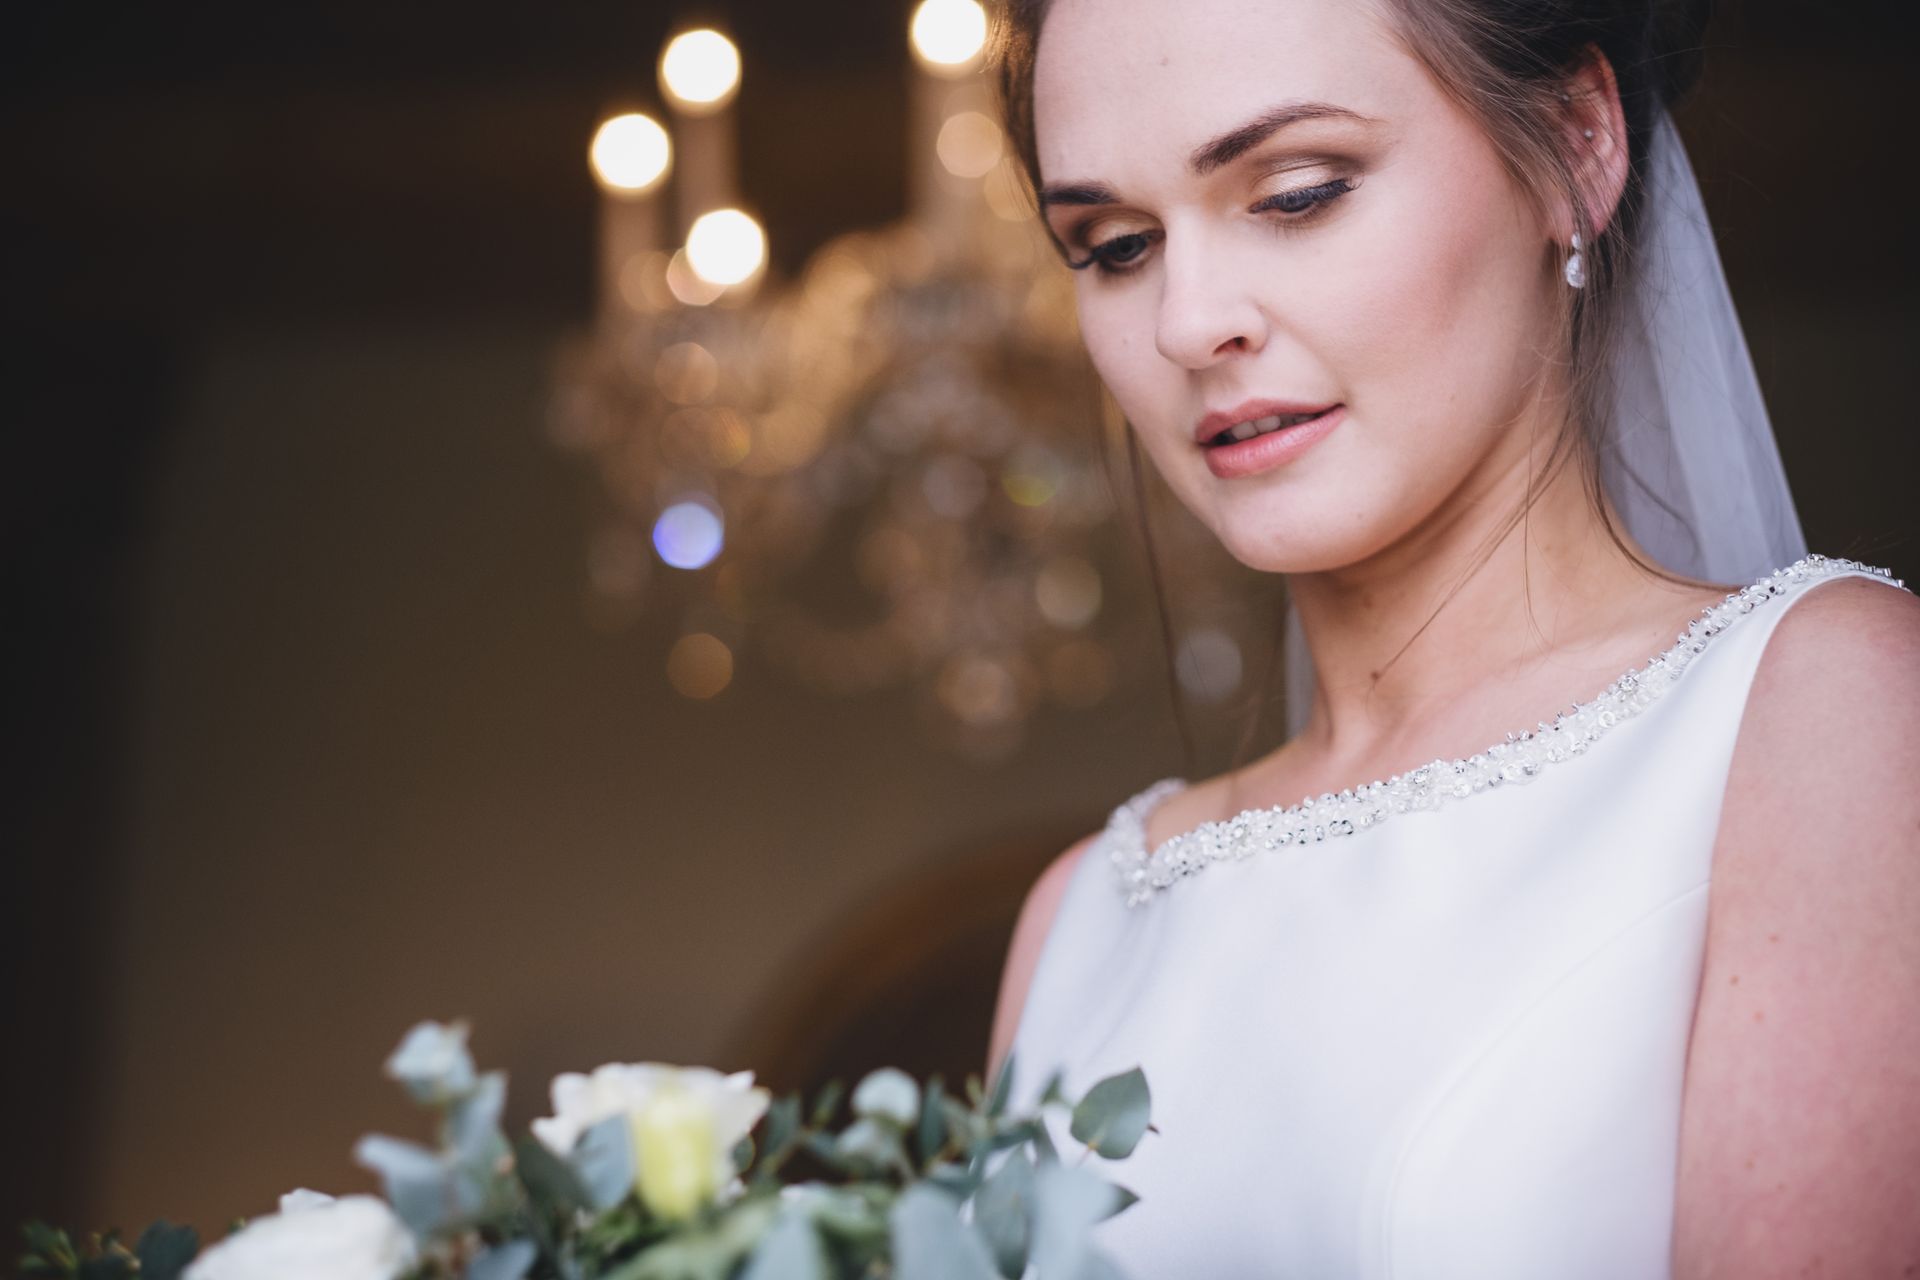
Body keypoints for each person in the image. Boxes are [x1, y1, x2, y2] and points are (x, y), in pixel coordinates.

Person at [980, 0, 1920, 1275]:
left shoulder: (1820, 715)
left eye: (1298, 193)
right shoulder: (1083, 920)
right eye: (1116, 246)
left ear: (1579, 144)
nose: (1187, 324)